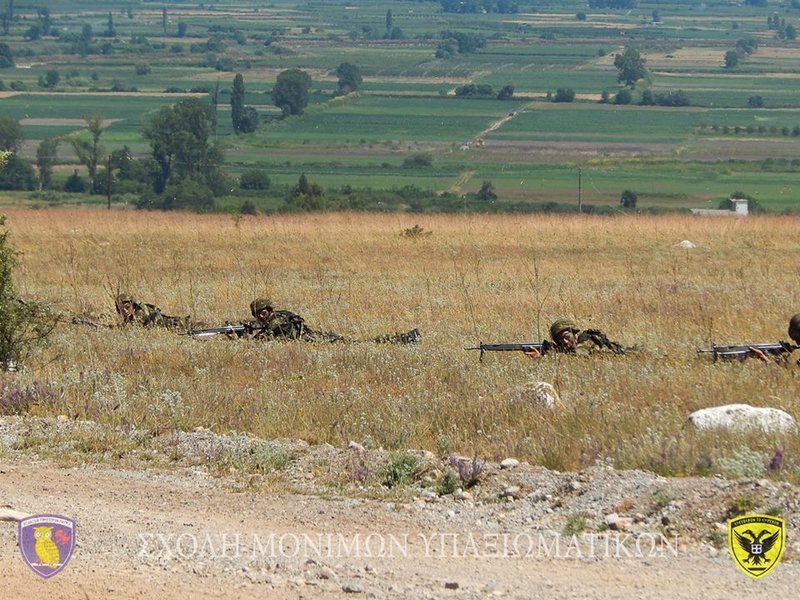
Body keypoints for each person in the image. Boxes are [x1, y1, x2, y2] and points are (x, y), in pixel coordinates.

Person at [239, 297, 420, 344]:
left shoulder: (279, 317)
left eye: (263, 312)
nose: (261, 316)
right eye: (257, 315)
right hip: (317, 339)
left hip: (318, 340)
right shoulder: (270, 323)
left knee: (362, 343)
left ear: (270, 310)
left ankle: (403, 338)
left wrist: (248, 331)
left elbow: (269, 332)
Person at [525, 317, 625, 358]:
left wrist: (544, 357)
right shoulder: (567, 349)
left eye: (567, 336)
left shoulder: (586, 340)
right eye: (560, 340)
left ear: (575, 333)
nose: (564, 341)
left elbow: (578, 357)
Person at [114, 293, 190, 330]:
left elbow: (135, 327)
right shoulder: (130, 315)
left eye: (127, 307)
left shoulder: (140, 312)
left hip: (168, 324)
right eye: (121, 309)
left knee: (185, 324)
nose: (125, 310)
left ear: (133, 305)